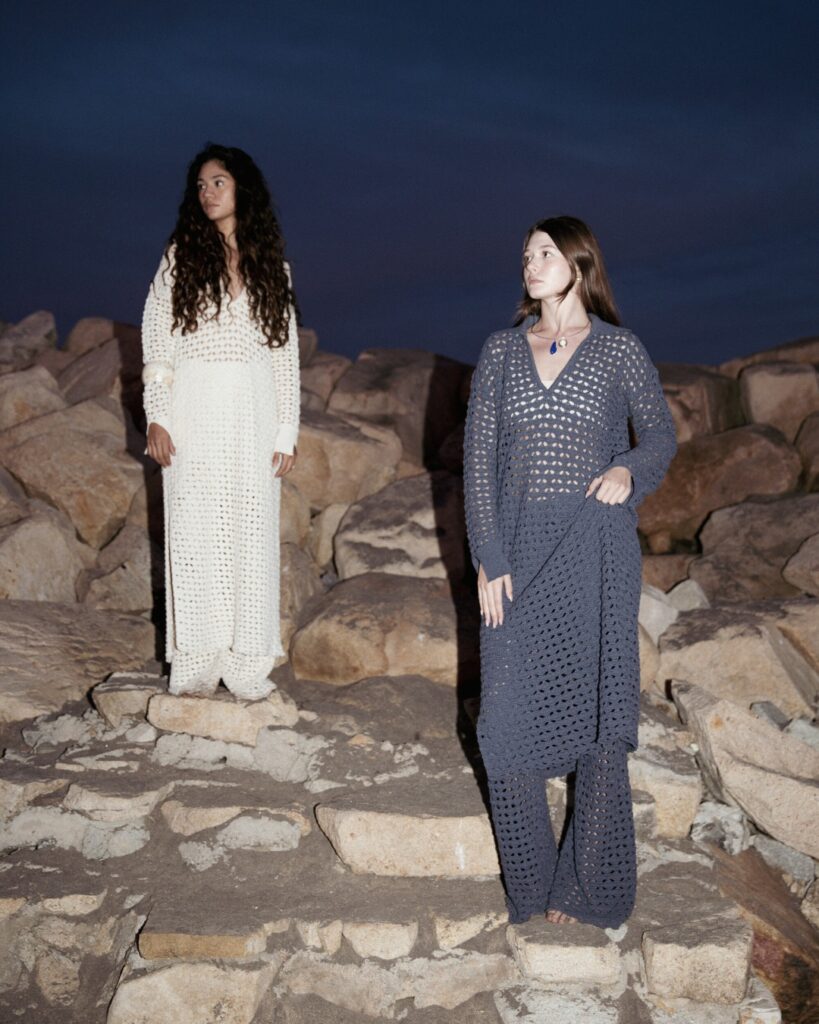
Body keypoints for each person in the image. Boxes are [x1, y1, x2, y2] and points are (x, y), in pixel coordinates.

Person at [463, 215, 677, 928]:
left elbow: (661, 435)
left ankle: (586, 887)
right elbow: (478, 466)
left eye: (545, 252)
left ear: (579, 264)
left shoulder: (618, 350)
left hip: (596, 550)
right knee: (501, 722)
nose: (530, 263)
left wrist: (628, 468)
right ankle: (529, 884)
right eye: (526, 254)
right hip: (519, 554)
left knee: (601, 719)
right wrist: (488, 557)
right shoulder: (501, 351)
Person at [141, 143, 300, 701]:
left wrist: (286, 430)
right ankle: (197, 662)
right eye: (201, 185)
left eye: (218, 182)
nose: (207, 193)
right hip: (194, 414)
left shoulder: (273, 267)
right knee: (194, 534)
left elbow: (283, 355)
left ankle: (247, 663)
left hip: (253, 418)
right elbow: (157, 341)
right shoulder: (180, 257)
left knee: (251, 536)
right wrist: (158, 416)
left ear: (242, 188)